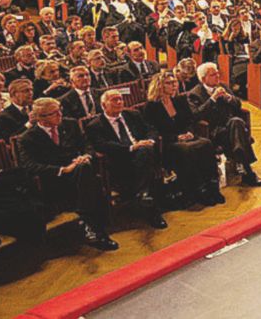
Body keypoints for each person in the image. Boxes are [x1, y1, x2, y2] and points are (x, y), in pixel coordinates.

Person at [17, 98, 119, 250]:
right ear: (41, 118)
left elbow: (87, 145)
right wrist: (62, 170)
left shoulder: (70, 124)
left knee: (85, 169)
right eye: (54, 113)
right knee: (92, 180)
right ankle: (94, 226)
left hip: (80, 170)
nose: (60, 115)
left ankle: (87, 223)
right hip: (54, 179)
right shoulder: (27, 138)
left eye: (60, 110)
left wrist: (86, 155)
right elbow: (30, 166)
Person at [84, 91, 167, 229]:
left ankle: (145, 197)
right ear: (103, 105)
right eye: (114, 100)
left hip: (143, 154)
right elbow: (102, 145)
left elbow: (151, 130)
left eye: (121, 99)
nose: (119, 102)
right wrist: (131, 147)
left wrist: (150, 140)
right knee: (146, 160)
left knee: (145, 151)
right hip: (119, 160)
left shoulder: (133, 115)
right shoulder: (95, 125)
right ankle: (147, 200)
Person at [142, 71, 222, 206]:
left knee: (206, 143)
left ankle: (212, 186)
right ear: (160, 85)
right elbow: (153, 131)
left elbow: (190, 120)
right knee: (187, 149)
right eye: (169, 83)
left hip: (186, 137)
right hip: (169, 142)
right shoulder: (151, 107)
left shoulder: (179, 100)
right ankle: (198, 189)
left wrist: (189, 132)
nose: (174, 85)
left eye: (175, 82)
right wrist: (176, 137)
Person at [187, 62, 261, 186]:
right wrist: (212, 99)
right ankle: (246, 169)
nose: (217, 76)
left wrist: (229, 98)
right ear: (203, 79)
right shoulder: (194, 94)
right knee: (237, 127)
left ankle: (244, 166)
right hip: (213, 130)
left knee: (236, 122)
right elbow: (196, 115)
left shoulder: (223, 86)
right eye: (213, 75)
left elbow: (238, 105)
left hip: (230, 125)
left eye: (217, 73)